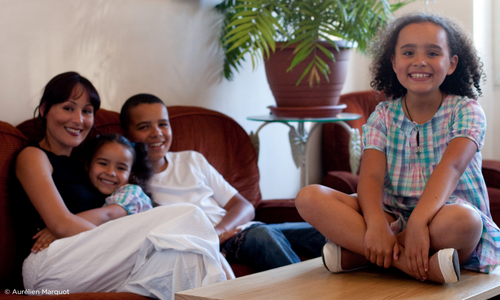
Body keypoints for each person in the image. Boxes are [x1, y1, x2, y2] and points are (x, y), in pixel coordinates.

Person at [295, 12, 500, 284]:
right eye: (408, 52)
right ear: (393, 62)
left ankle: (362, 256)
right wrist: (377, 224)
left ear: (451, 64)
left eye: (432, 53)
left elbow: (450, 168)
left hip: (444, 217)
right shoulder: (382, 116)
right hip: (393, 215)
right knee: (309, 197)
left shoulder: (467, 111)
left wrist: (418, 222)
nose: (420, 61)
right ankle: (408, 263)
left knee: (465, 222)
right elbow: (370, 177)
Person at [15, 71, 227, 300]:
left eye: (87, 111)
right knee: (190, 215)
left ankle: (237, 291)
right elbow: (61, 224)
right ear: (45, 109)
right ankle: (239, 290)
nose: (79, 120)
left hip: (94, 262)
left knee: (190, 257)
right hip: (50, 264)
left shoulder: (87, 166)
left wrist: (122, 246)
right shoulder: (33, 156)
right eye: (68, 108)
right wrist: (120, 241)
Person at [120, 93, 326, 272]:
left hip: (239, 229)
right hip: (213, 244)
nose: (156, 132)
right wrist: (212, 238)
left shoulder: (192, 160)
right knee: (263, 236)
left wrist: (218, 231)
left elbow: (243, 206)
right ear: (127, 135)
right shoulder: (133, 186)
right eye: (144, 127)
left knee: (324, 230)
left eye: (163, 124)